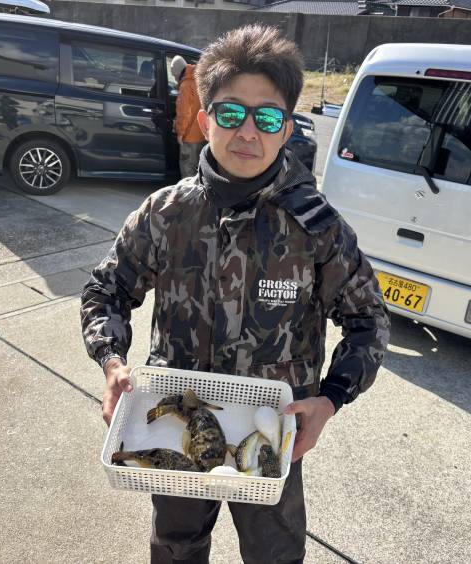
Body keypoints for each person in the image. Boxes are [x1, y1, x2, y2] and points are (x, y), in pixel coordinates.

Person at [81, 25, 390, 563]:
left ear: (286, 129)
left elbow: (369, 322)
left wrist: (330, 400)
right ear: (204, 121)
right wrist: (112, 362)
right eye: (230, 114)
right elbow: (105, 291)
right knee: (175, 548)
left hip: (271, 437)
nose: (247, 131)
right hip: (180, 421)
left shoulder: (316, 229)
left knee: (274, 557)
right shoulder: (164, 213)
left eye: (266, 118)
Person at [171, 54, 206, 178]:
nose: (175, 78)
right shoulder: (200, 79)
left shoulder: (186, 85)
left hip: (190, 137)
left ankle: (189, 190)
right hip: (203, 133)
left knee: (188, 167)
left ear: (177, 72)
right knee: (200, 167)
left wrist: (180, 133)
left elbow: (184, 113)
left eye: (174, 75)